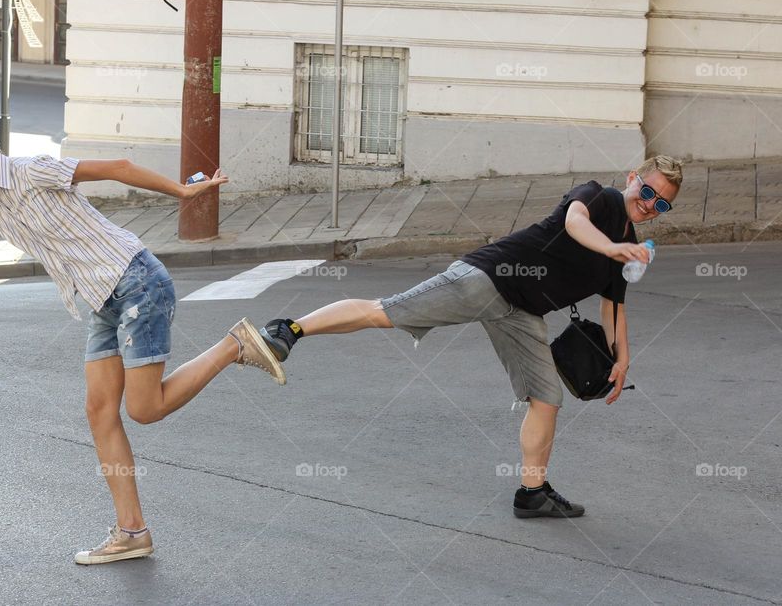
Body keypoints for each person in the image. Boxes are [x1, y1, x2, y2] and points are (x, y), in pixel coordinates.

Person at [0, 97, 286, 565]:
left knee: (146, 408)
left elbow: (117, 165)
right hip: (98, 301)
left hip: (134, 280)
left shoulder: (33, 170)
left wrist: (181, 191)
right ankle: (132, 532)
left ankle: (234, 346)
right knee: (99, 412)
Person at [258, 156, 683, 519]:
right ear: (632, 178)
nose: (649, 205)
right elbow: (574, 222)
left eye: (661, 203)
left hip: (524, 314)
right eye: (646, 191)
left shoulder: (627, 247)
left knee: (547, 398)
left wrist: (622, 360)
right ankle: (288, 330)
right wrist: (610, 248)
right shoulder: (599, 197)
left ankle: (532, 494)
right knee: (386, 312)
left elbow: (614, 308)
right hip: (487, 278)